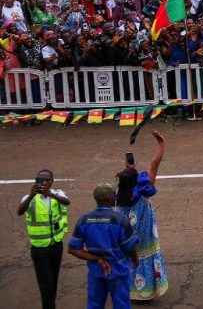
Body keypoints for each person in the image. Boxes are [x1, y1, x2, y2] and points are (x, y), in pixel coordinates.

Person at [115, 130, 168, 299]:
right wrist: (161, 143)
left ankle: (131, 292)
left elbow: (125, 182)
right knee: (146, 259)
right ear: (136, 181)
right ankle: (147, 292)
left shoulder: (118, 195)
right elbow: (153, 165)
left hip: (128, 239)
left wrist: (128, 170)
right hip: (146, 238)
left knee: (130, 259)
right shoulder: (144, 192)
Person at [67, 184, 138, 309]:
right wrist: (135, 259)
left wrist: (98, 259)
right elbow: (130, 247)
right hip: (119, 271)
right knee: (122, 305)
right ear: (108, 199)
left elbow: (73, 249)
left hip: (96, 271)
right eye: (113, 194)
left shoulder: (84, 220)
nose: (115, 196)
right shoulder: (120, 220)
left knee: (94, 305)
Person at [18, 169, 70, 309]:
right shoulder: (29, 197)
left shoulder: (57, 193)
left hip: (56, 245)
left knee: (53, 280)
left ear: (52, 181)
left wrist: (51, 194)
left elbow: (67, 202)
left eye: (47, 180)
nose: (44, 182)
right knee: (46, 283)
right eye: (41, 179)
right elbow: (20, 211)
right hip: (39, 248)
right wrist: (31, 195)